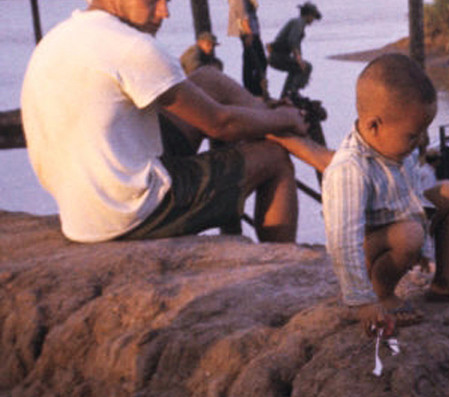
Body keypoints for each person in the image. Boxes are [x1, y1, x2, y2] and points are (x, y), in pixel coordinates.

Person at [20, 0, 310, 244]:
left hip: (80, 213)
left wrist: (268, 119)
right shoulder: (132, 46)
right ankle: (282, 261)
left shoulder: (57, 38)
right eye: (153, 1)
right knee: (274, 158)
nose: (164, 12)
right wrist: (282, 118)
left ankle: (294, 136)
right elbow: (221, 124)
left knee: (207, 79)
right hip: (129, 212)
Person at [322, 53, 449, 337]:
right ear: (374, 126)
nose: (423, 141)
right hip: (369, 253)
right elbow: (343, 242)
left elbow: (413, 200)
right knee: (409, 234)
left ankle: (445, 279)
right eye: (413, 135)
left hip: (401, 227)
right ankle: (381, 294)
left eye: (424, 131)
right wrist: (361, 301)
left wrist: (425, 251)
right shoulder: (349, 170)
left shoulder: (398, 150)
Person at [269, 2, 321, 99]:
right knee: (306, 67)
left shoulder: (298, 23)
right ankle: (292, 93)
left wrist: (299, 59)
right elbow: (292, 41)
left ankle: (287, 94)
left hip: (276, 56)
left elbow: (296, 45)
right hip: (277, 57)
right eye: (313, 17)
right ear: (309, 15)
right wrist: (299, 60)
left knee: (297, 68)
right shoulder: (299, 23)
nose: (313, 20)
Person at [228, 0, 269, 97]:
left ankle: (254, 90)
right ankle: (254, 90)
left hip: (251, 33)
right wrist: (249, 34)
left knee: (251, 61)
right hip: (248, 34)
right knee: (258, 61)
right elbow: (242, 16)